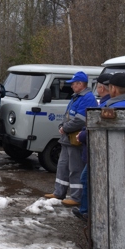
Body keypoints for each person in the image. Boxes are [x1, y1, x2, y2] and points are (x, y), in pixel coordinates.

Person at [44, 71, 97, 206]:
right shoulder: (76, 97)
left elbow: (80, 120)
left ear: (80, 84)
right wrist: (62, 125)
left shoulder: (87, 98)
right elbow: (68, 116)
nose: (71, 86)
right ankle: (59, 192)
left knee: (75, 168)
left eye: (73, 84)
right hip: (67, 139)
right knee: (63, 166)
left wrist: (65, 128)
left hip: (75, 139)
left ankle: (76, 197)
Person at [72, 73, 111, 221]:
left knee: (87, 180)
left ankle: (87, 212)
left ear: (102, 88)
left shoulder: (105, 106)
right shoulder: (103, 104)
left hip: (98, 152)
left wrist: (81, 136)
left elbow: (91, 125)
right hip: (99, 151)